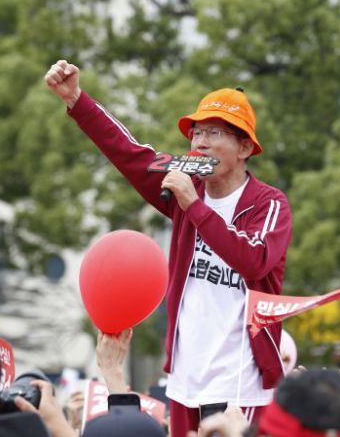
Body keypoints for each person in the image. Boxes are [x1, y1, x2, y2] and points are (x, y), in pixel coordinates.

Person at [45, 60, 293, 437]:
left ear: (245, 147)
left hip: (242, 383)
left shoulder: (268, 204)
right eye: (196, 133)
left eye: (214, 133)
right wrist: (77, 99)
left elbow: (254, 260)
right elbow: (129, 152)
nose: (200, 142)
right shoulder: (182, 186)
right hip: (185, 383)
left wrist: (195, 206)